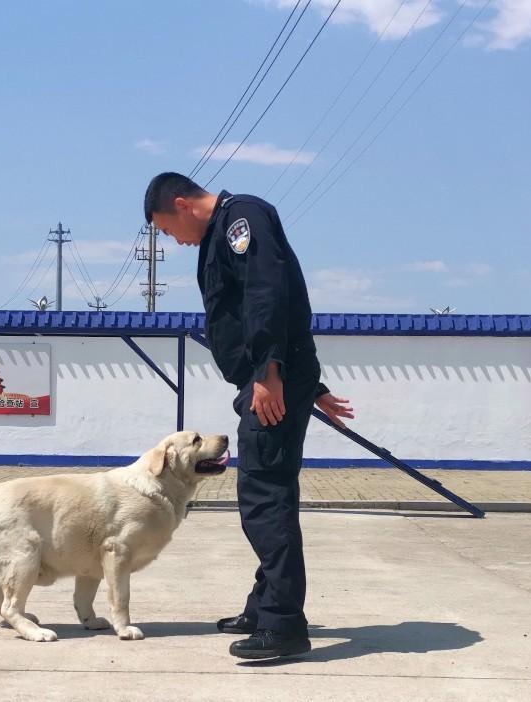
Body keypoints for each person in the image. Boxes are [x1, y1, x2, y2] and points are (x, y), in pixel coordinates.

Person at [144, 172, 354, 659]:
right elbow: (263, 306)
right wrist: (305, 384)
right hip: (272, 377)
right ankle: (264, 607)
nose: (173, 240)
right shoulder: (224, 229)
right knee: (266, 492)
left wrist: (270, 371)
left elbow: (268, 292)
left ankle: (283, 626)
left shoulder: (242, 218)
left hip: (269, 378)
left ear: (181, 203)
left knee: (265, 497)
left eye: (168, 228)